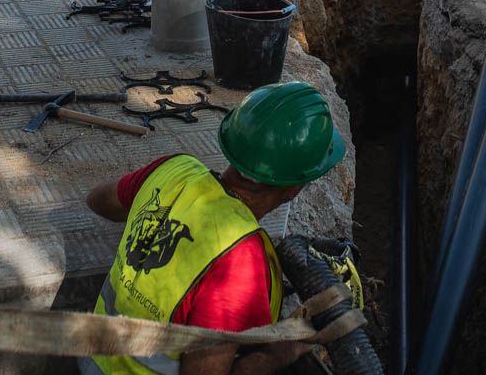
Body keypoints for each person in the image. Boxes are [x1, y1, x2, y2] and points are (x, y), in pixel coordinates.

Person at [81, 81, 345, 375]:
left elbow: (98, 200)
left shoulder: (175, 171)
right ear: (294, 187)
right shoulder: (240, 260)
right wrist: (282, 353)